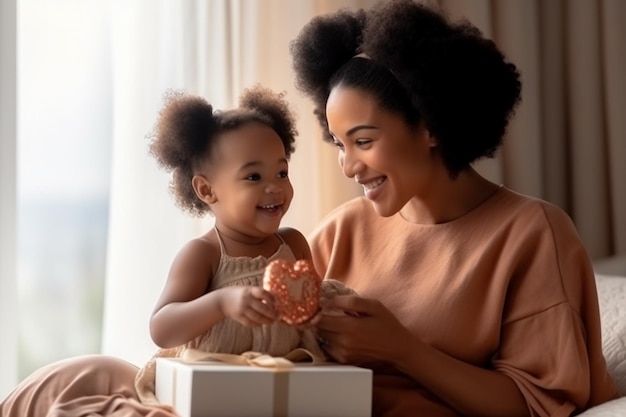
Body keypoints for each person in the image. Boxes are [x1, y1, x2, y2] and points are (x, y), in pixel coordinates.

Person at [289, 1, 618, 416]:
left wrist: (402, 350)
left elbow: (539, 404)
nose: (349, 166)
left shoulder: (532, 233)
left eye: (364, 141)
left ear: (429, 125)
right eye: (339, 145)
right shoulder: (341, 231)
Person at [0, 85, 350, 416]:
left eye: (282, 172)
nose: (275, 188)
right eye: (254, 178)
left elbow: (311, 305)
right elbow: (162, 327)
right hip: (212, 384)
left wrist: (321, 312)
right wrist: (221, 303)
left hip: (286, 378)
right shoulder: (205, 254)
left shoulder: (294, 244)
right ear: (207, 190)